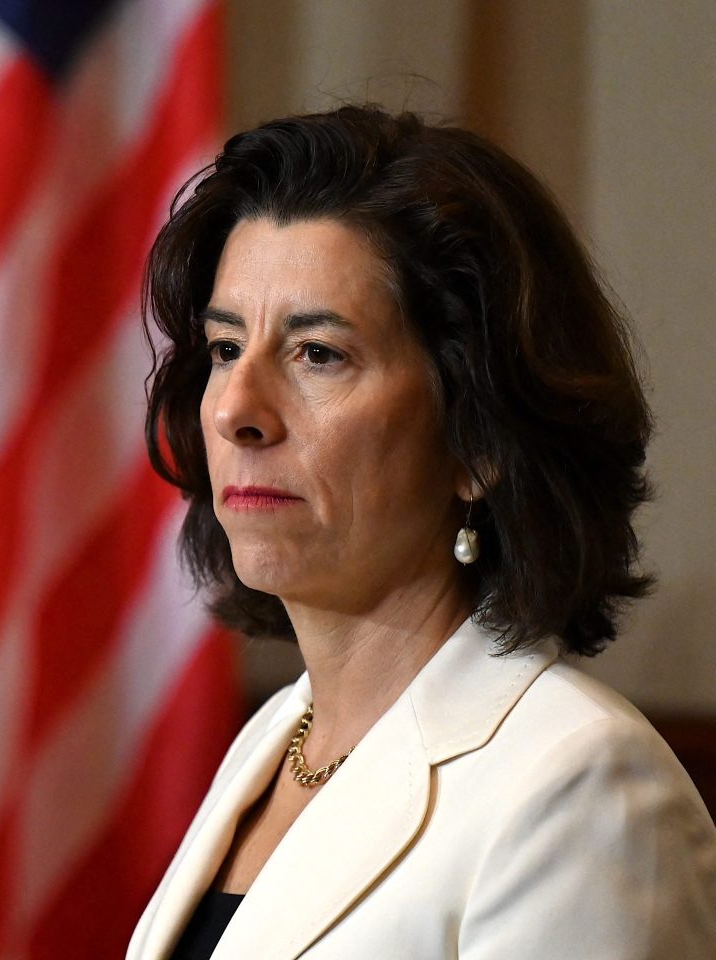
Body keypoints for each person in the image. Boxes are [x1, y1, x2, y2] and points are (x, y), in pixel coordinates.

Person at [126, 106, 716, 959]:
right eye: (224, 349)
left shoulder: (583, 791)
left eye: (316, 353)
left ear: (478, 439)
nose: (235, 410)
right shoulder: (274, 743)